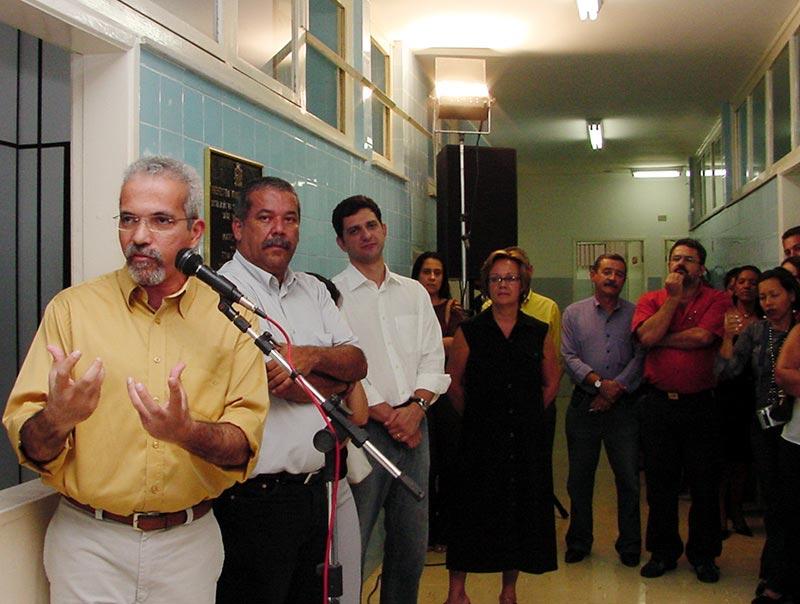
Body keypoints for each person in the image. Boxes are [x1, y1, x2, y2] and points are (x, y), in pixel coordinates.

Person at [2, 156, 269, 604]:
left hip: (188, 546)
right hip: (89, 545)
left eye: (161, 220)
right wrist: (57, 419)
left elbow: (244, 445)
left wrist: (186, 432)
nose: (140, 236)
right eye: (128, 219)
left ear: (195, 231)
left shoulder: (231, 317)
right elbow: (29, 444)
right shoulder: (72, 310)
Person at [212, 177, 368, 604]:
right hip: (255, 502)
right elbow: (277, 384)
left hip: (316, 491)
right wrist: (335, 380)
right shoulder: (220, 295)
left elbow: (358, 362)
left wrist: (308, 357)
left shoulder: (314, 290)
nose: (279, 230)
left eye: (290, 219)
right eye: (265, 218)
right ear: (238, 227)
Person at [331, 195, 450, 604]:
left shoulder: (414, 292)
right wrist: (388, 415)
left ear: (384, 229)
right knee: (355, 541)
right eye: (354, 231)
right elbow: (345, 366)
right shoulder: (334, 295)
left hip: (416, 430)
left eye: (371, 225)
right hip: (364, 432)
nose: (365, 235)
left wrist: (415, 411)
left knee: (411, 545)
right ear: (341, 242)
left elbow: (433, 357)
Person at [444, 248, 560, 604]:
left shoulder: (537, 331)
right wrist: (479, 416)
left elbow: (552, 381)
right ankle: (457, 590)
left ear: (522, 284)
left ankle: (509, 590)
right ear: (486, 285)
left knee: (517, 510)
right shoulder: (470, 331)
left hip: (524, 438)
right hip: (480, 436)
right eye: (495, 279)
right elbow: (454, 383)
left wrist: (526, 414)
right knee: (470, 510)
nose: (503, 284)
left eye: (510, 278)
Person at [633, 238, 729, 583]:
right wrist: (672, 300)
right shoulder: (651, 299)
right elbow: (645, 337)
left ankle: (704, 555)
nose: (680, 264)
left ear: (701, 268)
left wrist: (661, 337)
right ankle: (663, 552)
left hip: (700, 406)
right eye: (676, 258)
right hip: (659, 405)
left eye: (689, 259)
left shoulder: (718, 299)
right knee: (660, 484)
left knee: (704, 484)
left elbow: (703, 338)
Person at [717, 267, 799, 603]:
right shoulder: (755, 331)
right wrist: (727, 338)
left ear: (791, 294)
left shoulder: (798, 329)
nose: (767, 303)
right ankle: (773, 572)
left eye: (774, 295)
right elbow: (729, 371)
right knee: (775, 502)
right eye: (763, 297)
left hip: (795, 426)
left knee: (794, 503)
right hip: (765, 426)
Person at [561, 253, 644, 567]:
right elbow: (569, 356)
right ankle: (579, 541)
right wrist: (598, 384)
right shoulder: (573, 313)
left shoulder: (635, 314)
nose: (612, 278)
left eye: (619, 274)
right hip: (584, 406)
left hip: (624, 408)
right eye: (607, 271)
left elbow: (640, 357)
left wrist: (615, 389)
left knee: (628, 479)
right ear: (593, 274)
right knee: (579, 479)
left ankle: (630, 544)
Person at [412, 251, 467, 552]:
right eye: (426, 272)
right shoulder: (408, 304)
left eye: (437, 273)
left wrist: (430, 345)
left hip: (444, 394)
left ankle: (447, 530)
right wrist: (439, 343)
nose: (432, 278)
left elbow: (459, 345)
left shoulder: (451, 309)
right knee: (425, 465)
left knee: (449, 463)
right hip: (415, 394)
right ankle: (426, 532)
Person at [717, 265, 761, 540]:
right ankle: (721, 516)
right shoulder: (725, 316)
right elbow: (722, 362)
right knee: (723, 458)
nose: (747, 286)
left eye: (752, 282)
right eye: (742, 281)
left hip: (753, 394)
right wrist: (728, 334)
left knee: (743, 459)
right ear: (733, 287)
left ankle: (737, 511)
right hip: (725, 393)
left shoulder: (764, 318)